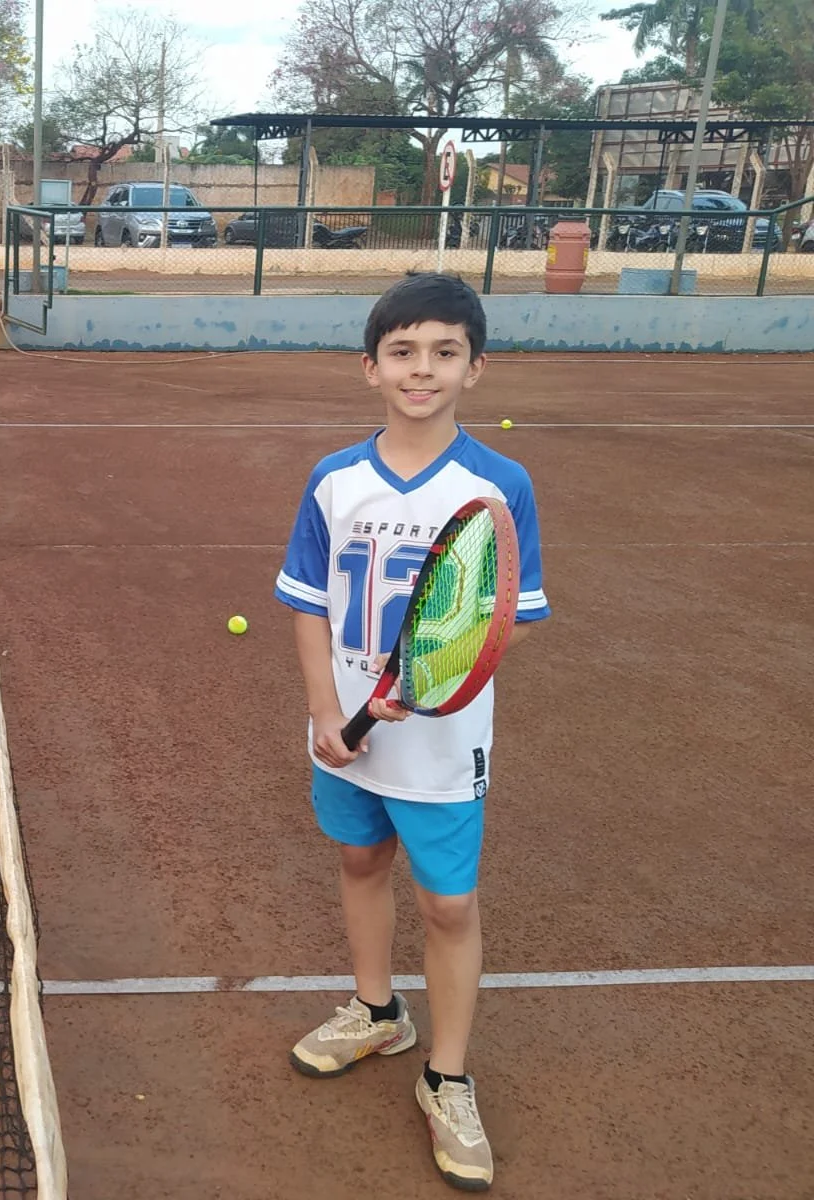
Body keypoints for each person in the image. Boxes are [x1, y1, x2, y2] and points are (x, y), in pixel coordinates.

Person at [273, 273, 550, 1192]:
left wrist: (424, 685)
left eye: (443, 352)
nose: (420, 369)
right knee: (357, 864)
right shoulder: (334, 479)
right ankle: (377, 1012)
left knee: (449, 907)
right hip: (347, 732)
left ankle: (448, 1075)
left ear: (476, 368)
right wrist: (325, 712)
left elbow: (499, 621)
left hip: (440, 741)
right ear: (370, 368)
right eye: (402, 352)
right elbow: (309, 604)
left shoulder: (499, 486)